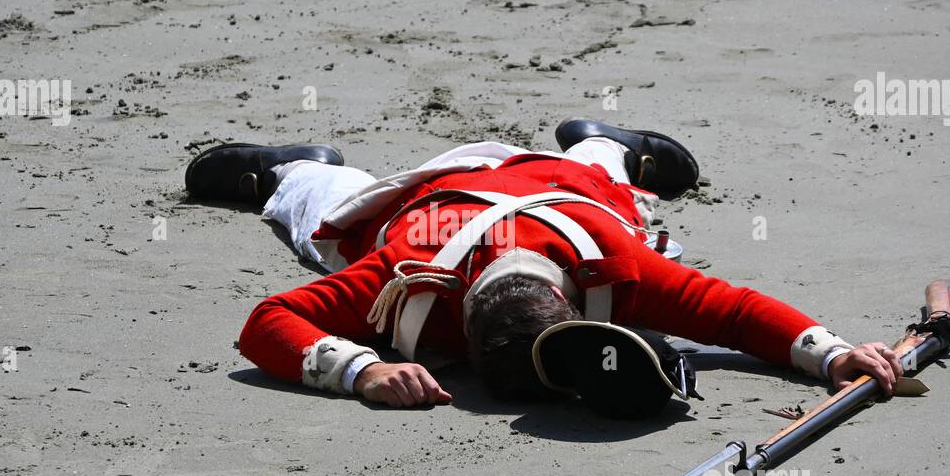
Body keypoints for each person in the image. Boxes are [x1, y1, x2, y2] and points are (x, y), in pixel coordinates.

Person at [186, 120, 903, 408]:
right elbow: (266, 321)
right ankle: (294, 168)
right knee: (333, 212)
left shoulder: (616, 269)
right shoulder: (409, 274)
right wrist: (359, 369)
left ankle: (607, 143)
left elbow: (738, 315)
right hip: (441, 192)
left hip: (566, 189)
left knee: (597, 172)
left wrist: (831, 353)